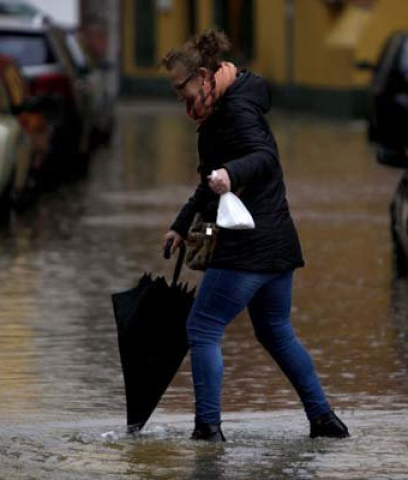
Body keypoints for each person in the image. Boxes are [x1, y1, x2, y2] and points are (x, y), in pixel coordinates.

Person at [161, 30, 349, 442]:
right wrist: (181, 223)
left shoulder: (236, 111)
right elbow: (209, 179)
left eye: (182, 89)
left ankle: (207, 430)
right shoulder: (226, 106)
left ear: (205, 76)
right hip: (277, 244)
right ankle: (325, 421)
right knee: (275, 329)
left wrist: (233, 173)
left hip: (248, 247)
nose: (181, 100)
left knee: (203, 328)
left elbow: (263, 158)